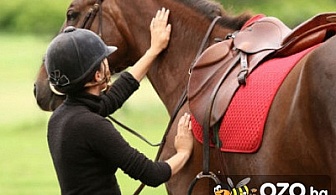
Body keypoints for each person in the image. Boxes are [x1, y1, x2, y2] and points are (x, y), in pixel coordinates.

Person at [45, 8, 193, 195]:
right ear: (97, 75)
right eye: (103, 60)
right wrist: (183, 153)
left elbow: (112, 98)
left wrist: (153, 50)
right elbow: (151, 174)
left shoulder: (61, 118)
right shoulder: (91, 125)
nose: (107, 62)